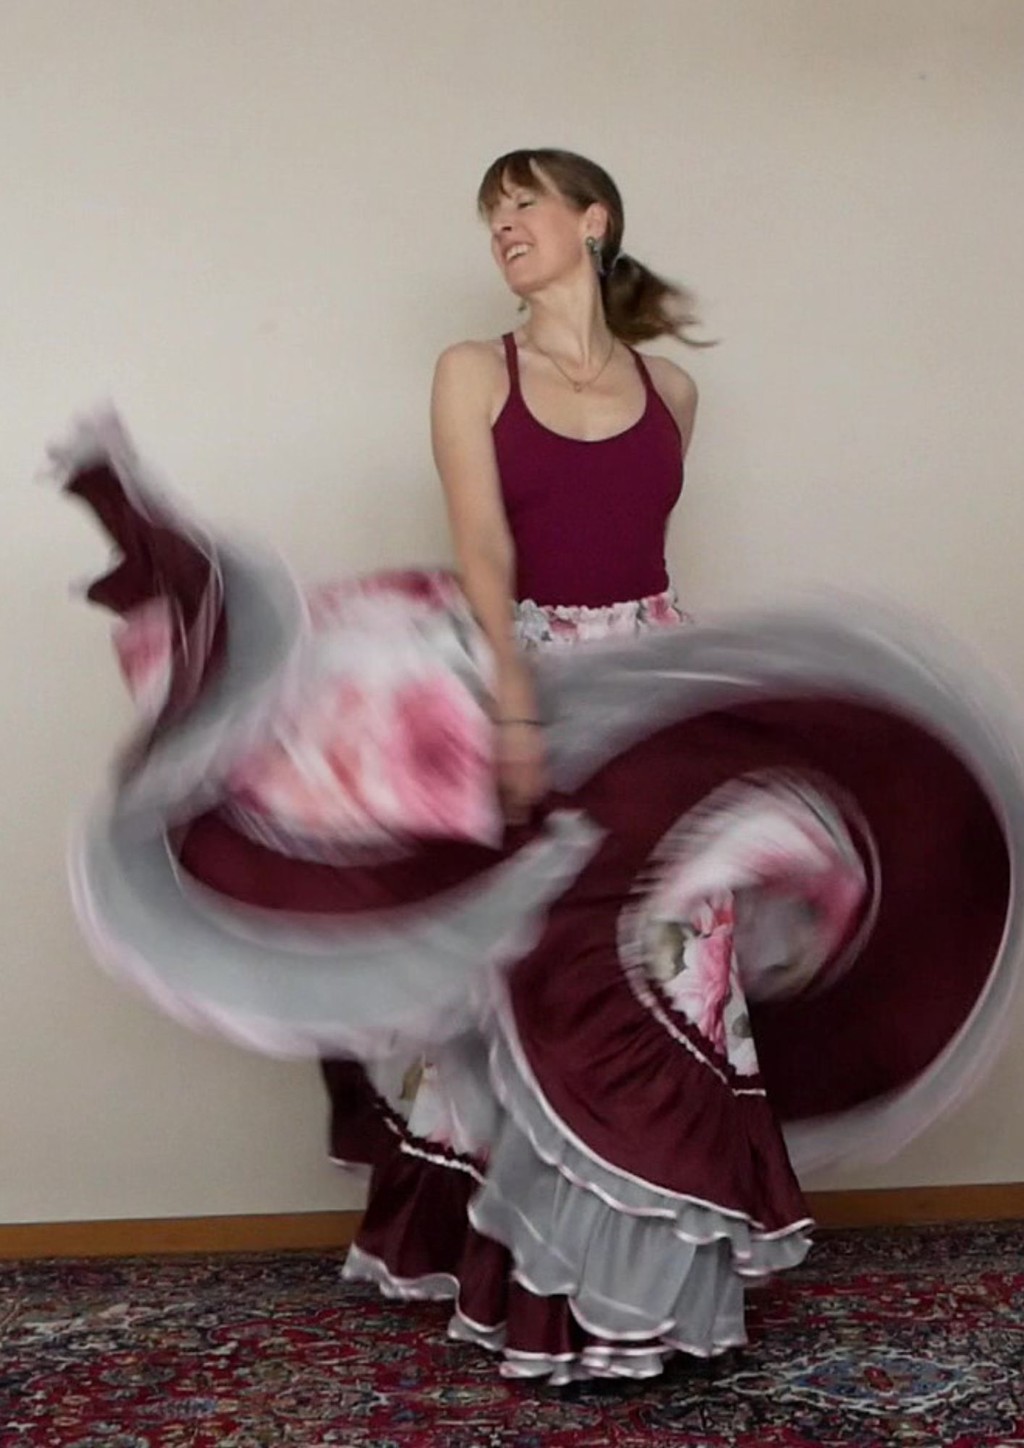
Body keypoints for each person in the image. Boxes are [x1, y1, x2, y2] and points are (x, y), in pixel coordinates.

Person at [329, 148, 813, 1386]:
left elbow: (642, 556)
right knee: (548, 987)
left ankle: (659, 1289)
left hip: (659, 694)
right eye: (488, 213)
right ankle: (543, 1295)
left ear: (591, 222)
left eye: (523, 203)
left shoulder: (672, 390)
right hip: (533, 680)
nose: (501, 226)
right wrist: (508, 698)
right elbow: (483, 548)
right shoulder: (471, 372)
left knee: (678, 981)